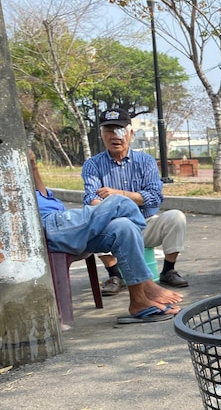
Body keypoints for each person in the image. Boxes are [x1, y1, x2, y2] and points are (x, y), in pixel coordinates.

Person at [30, 151, 182, 324]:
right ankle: (146, 282)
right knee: (119, 201)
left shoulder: (33, 186)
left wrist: (33, 165)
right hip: (47, 225)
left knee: (125, 227)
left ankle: (139, 302)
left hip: (64, 225)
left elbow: (42, 193)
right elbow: (91, 198)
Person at [82, 108, 189, 295]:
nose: (115, 135)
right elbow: (91, 199)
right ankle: (115, 275)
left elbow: (154, 197)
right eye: (109, 130)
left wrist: (117, 195)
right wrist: (133, 200)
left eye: (120, 130)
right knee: (94, 221)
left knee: (176, 217)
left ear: (131, 133)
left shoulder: (146, 161)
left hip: (145, 224)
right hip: (115, 228)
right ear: (101, 135)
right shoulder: (92, 165)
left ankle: (168, 270)